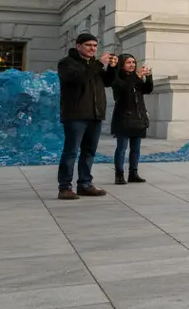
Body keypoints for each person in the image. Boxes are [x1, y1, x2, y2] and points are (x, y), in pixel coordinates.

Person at [56, 33, 113, 200]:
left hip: (95, 114)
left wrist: (112, 67)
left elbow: (108, 82)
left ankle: (85, 184)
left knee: (89, 151)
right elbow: (79, 78)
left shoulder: (93, 65)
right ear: (78, 45)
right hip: (75, 114)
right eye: (89, 45)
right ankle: (65, 187)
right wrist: (97, 64)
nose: (92, 49)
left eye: (95, 46)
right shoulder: (67, 63)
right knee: (71, 151)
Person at [106, 54, 152, 185]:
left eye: (133, 62)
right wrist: (137, 78)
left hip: (138, 116)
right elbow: (125, 90)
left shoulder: (136, 79)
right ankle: (119, 174)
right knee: (122, 147)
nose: (132, 65)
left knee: (136, 148)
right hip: (123, 117)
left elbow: (148, 89)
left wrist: (148, 76)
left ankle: (133, 173)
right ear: (122, 64)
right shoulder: (117, 78)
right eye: (128, 62)